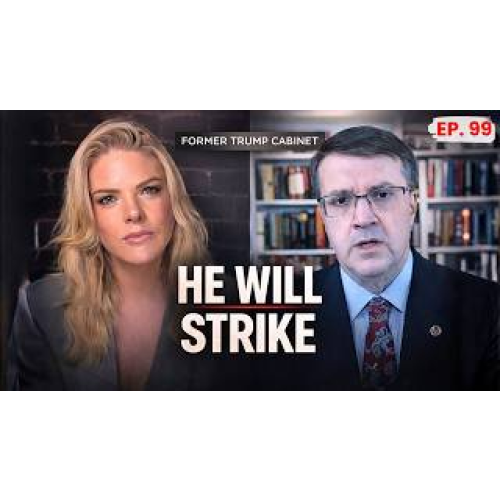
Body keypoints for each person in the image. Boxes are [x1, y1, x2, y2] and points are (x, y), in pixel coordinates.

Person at [266, 125, 499, 390]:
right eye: (340, 200)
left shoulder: (488, 308)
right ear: (323, 217)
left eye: (382, 194)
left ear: (412, 204)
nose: (363, 219)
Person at [8, 119, 217, 390]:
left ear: (173, 201)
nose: (134, 213)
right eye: (108, 199)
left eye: (149, 190)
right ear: (88, 215)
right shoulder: (39, 309)